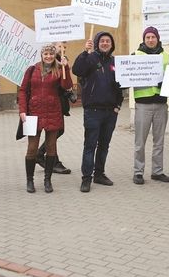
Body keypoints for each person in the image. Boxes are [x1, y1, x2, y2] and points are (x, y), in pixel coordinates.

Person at [72, 32, 123, 193]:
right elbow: (77, 70)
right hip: (93, 111)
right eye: (102, 41)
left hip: (110, 111)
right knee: (90, 145)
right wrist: (84, 53)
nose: (105, 43)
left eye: (108, 41)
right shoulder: (90, 58)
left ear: (111, 44)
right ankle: (86, 178)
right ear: (96, 43)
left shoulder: (115, 62)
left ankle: (99, 174)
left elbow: (121, 86)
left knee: (104, 145)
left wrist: (118, 106)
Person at [19, 44, 73, 193]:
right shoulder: (32, 70)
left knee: (51, 148)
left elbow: (67, 85)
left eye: (50, 54)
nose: (48, 56)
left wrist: (65, 68)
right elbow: (23, 90)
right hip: (33, 113)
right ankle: (29, 180)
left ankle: (47, 180)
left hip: (53, 112)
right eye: (45, 54)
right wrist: (22, 110)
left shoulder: (59, 68)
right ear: (41, 56)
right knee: (32, 149)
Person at [132, 26, 169, 185]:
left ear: (157, 38)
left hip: (161, 104)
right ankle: (138, 172)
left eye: (153, 37)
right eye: (147, 37)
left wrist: (166, 83)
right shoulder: (135, 55)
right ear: (144, 39)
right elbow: (128, 76)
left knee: (159, 141)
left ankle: (157, 171)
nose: (150, 40)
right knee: (140, 141)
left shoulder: (166, 56)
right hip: (143, 104)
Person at [34, 41, 76, 174]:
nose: (63, 48)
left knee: (57, 131)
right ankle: (48, 158)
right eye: (60, 46)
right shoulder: (47, 64)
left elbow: (66, 84)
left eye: (65, 46)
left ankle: (44, 156)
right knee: (55, 131)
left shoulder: (62, 63)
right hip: (48, 104)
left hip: (58, 103)